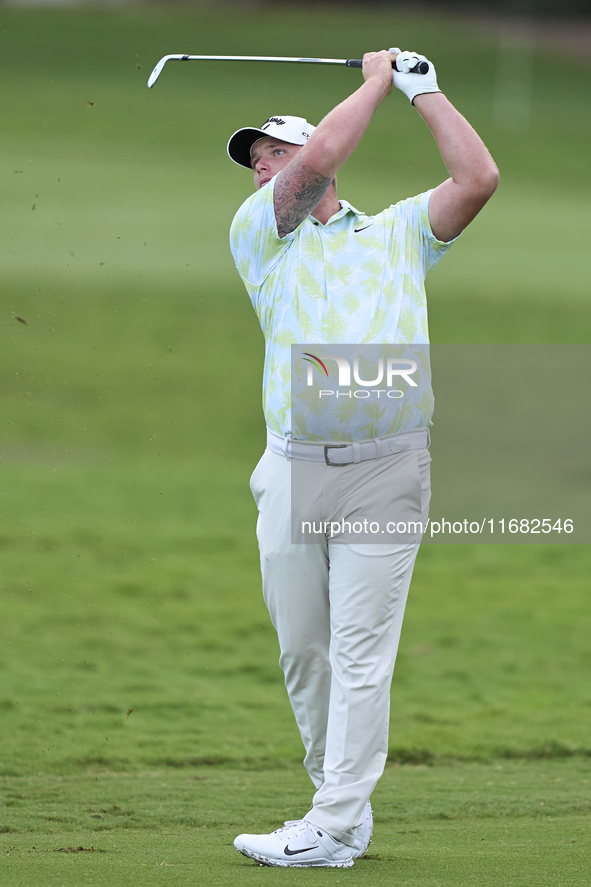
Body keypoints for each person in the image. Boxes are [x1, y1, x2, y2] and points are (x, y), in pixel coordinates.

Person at [226, 48, 498, 868]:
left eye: (274, 151)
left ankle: (334, 820)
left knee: (358, 650)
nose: (263, 168)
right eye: (258, 162)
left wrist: (423, 89)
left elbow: (477, 179)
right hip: (294, 466)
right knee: (303, 648)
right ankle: (335, 805)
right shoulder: (260, 235)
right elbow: (321, 159)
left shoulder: (398, 233)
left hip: (389, 467)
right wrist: (376, 76)